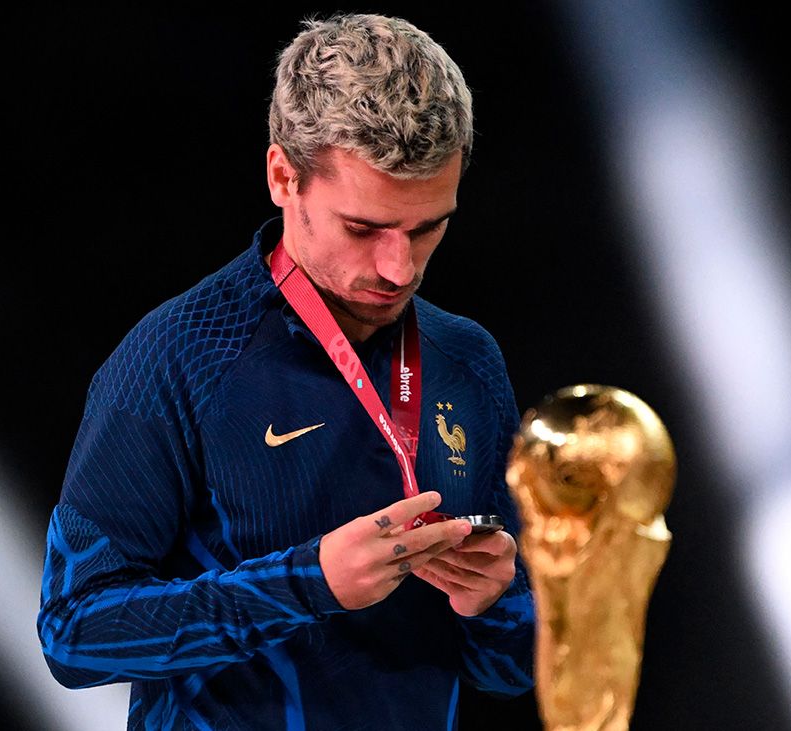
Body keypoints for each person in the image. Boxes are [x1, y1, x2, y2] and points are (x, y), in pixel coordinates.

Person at [37, 13, 535, 729]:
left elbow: (508, 670)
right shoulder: (176, 357)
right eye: (363, 228)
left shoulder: (468, 361)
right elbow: (72, 633)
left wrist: (494, 601)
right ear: (282, 177)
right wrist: (309, 583)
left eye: (427, 227)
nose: (400, 269)